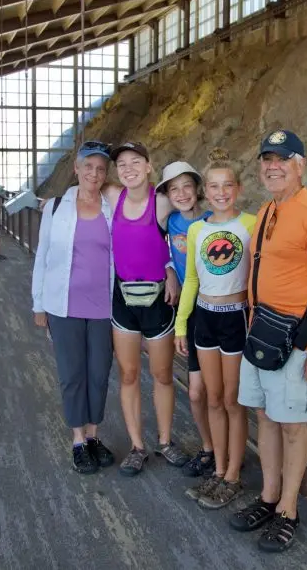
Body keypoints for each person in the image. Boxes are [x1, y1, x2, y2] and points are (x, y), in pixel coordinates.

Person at [229, 130, 307, 553]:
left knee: (295, 426)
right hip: (261, 333)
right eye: (266, 159)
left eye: (282, 159)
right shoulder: (268, 209)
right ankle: (269, 496)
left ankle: (289, 510)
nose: (272, 166)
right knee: (265, 415)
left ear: (301, 164)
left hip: (295, 341)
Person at [175, 149, 256, 509]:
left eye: (228, 185)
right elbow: (191, 279)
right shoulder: (196, 229)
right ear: (205, 191)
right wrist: (181, 325)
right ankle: (219, 470)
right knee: (212, 397)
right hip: (204, 319)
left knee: (231, 400)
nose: (221, 192)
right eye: (214, 186)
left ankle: (234, 476)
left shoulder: (252, 224)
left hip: (236, 318)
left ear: (237, 188)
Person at [104, 141, 189, 476]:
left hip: (157, 299)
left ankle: (165, 441)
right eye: (122, 164)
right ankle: (137, 445)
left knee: (162, 374)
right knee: (128, 374)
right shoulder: (113, 196)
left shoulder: (163, 202)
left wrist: (171, 268)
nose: (128, 169)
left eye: (135, 162)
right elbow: (80, 192)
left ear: (149, 166)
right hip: (123, 298)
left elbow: (184, 232)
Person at [32, 140, 117, 474]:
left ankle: (94, 434)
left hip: (103, 307)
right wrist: (39, 305)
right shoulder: (55, 208)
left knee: (98, 373)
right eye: (88, 167)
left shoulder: (112, 206)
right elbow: (42, 257)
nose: (93, 174)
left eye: (100, 169)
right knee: (72, 375)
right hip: (62, 305)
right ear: (76, 169)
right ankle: (78, 439)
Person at [158, 161, 215, 480]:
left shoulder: (213, 220)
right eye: (173, 188)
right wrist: (169, 271)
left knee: (222, 391)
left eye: (186, 186)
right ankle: (209, 448)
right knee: (196, 392)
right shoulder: (171, 222)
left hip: (220, 310)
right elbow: (160, 249)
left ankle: (227, 451)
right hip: (190, 313)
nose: (181, 193)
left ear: (198, 189)